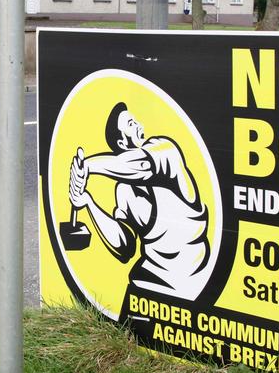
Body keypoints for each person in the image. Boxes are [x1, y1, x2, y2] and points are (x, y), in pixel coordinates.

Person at [68, 102, 212, 301]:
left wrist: (88, 166)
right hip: (146, 284)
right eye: (130, 123)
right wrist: (88, 202)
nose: (139, 125)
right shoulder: (125, 190)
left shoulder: (166, 152)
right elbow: (124, 245)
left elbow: (142, 166)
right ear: (121, 143)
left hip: (194, 282)